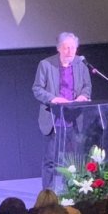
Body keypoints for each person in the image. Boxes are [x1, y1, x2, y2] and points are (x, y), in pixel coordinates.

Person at [32, 32, 92, 190]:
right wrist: (53, 99)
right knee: (50, 161)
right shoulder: (46, 64)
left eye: (73, 47)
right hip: (54, 119)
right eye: (66, 47)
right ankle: (48, 194)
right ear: (59, 48)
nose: (70, 51)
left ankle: (70, 191)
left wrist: (83, 96)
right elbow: (37, 89)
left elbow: (87, 86)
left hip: (74, 119)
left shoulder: (81, 64)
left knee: (71, 161)